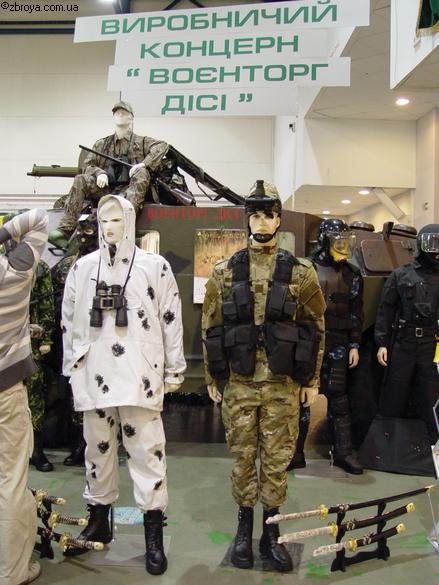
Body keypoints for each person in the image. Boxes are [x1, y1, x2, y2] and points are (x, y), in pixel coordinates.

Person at [202, 181, 325, 572]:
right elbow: (211, 326)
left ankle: (270, 533)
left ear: (278, 220)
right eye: (254, 214)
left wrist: (312, 380)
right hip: (239, 383)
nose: (261, 221)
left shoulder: (301, 272)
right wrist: (212, 377)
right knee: (242, 459)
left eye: (268, 214)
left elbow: (315, 327)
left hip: (282, 384)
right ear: (246, 220)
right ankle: (243, 531)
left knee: (276, 461)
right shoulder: (224, 271)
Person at [61, 195, 186, 575]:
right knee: (96, 450)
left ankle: (153, 532)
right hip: (94, 371)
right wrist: (72, 366)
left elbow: (171, 317)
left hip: (138, 375)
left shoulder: (154, 267)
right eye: (104, 220)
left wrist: (174, 369)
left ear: (130, 222)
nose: (109, 226)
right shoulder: (83, 268)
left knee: (147, 452)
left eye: (117, 219)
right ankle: (99, 520)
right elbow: (69, 318)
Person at [288, 219, 364, 475]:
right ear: (324, 241)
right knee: (301, 400)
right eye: (338, 241)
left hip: (339, 345)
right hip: (308, 345)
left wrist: (354, 344)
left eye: (346, 241)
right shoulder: (303, 270)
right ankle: (295, 453)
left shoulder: (353, 274)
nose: (344, 246)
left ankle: (343, 453)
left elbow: (356, 313)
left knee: (339, 399)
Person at [0, 209, 48, 585]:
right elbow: (38, 218)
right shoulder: (15, 272)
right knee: (11, 482)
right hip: (5, 392)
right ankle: (13, 571)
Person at [50, 101, 168, 247]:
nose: (120, 115)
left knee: (142, 173)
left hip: (130, 194)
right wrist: (99, 173)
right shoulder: (102, 144)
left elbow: (163, 146)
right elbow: (87, 165)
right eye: (117, 113)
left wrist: (143, 164)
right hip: (105, 190)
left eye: (124, 113)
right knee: (81, 179)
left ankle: (125, 226)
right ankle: (65, 230)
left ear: (131, 118)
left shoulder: (142, 142)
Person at [375, 223, 439, 444]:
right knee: (394, 390)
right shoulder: (401, 274)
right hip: (404, 341)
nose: (435, 251)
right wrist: (382, 343)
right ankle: (384, 441)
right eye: (432, 244)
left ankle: (433, 441)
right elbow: (386, 310)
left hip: (431, 343)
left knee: (430, 393)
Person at [28, 259, 55, 472]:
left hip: (29, 342)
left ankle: (35, 449)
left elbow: (47, 303)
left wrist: (46, 338)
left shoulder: (38, 265)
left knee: (34, 395)